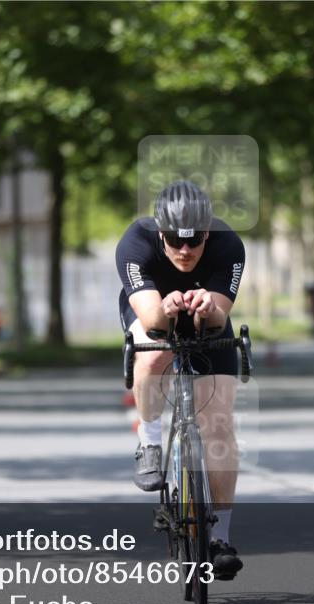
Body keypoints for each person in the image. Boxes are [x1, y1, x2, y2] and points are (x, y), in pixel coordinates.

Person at [115, 180, 245, 580]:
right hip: (153, 311)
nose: (184, 250)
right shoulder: (135, 243)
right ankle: (150, 442)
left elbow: (219, 319)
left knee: (218, 426)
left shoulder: (228, 245)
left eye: (194, 241)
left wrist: (209, 309)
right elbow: (153, 321)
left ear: (207, 233)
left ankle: (220, 539)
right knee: (155, 353)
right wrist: (166, 307)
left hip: (207, 319)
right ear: (160, 233)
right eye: (174, 240)